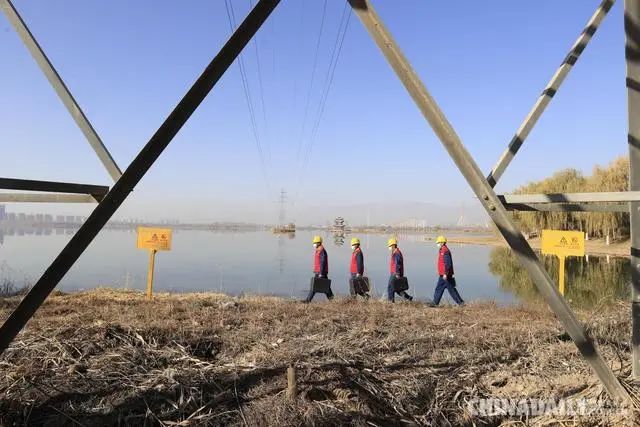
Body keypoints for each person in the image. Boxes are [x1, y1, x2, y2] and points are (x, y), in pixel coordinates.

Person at [432, 236, 464, 306]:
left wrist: (445, 273)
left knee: (451, 290)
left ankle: (461, 303)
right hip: (442, 275)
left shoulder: (445, 251)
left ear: (442, 243)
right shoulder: (441, 250)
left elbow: (448, 263)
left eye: (438, 242)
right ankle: (435, 303)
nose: (437, 244)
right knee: (439, 289)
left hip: (446, 275)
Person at [304, 235, 333, 302]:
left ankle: (332, 300)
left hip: (321, 272)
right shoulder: (318, 250)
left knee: (325, 287)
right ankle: (308, 300)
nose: (314, 244)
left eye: (315, 243)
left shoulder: (322, 251)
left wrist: (321, 273)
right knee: (317, 286)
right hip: (318, 271)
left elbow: (323, 262)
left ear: (319, 243)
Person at [387, 237, 413, 302]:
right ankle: (408, 298)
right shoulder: (395, 252)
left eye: (390, 246)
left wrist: (397, 273)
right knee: (398, 289)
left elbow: (397, 264)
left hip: (395, 273)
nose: (389, 247)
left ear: (393, 245)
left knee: (390, 287)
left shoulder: (397, 253)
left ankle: (390, 301)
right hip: (395, 272)